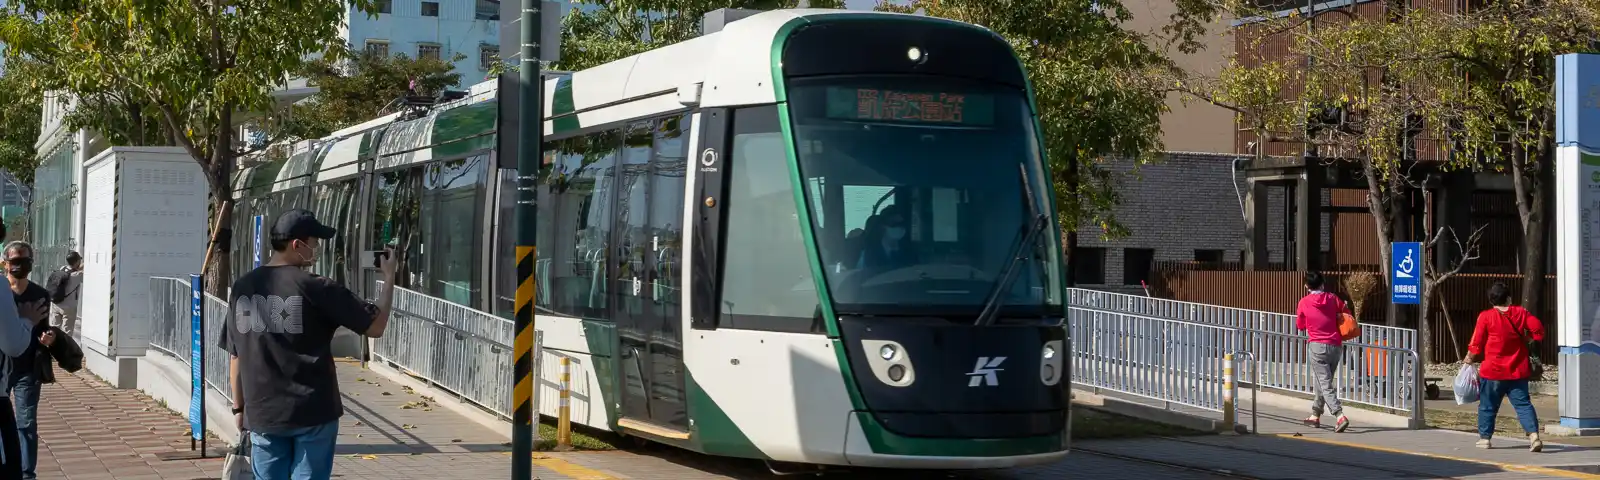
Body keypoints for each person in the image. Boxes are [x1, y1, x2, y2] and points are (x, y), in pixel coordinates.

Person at [221, 209, 400, 480]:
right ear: (297, 245)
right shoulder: (318, 287)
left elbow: (236, 356)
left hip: (263, 412)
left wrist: (239, 408)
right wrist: (389, 278)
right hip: (313, 413)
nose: (316, 250)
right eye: (314, 243)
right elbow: (375, 326)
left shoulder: (242, 288)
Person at [1465, 282, 1545, 452]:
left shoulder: (1485, 317)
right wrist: (1529, 338)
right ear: (1508, 298)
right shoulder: (1521, 313)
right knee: (1523, 405)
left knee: (1487, 406)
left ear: (1491, 300)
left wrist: (1468, 359)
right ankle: (1534, 436)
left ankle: (1485, 439)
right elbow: (1538, 330)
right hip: (1517, 371)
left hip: (1493, 371)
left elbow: (1476, 343)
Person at [0, 242, 52, 480]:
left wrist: (49, 338)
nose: (19, 266)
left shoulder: (40, 294)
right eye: (15, 261)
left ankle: (26, 474)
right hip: (2, 369)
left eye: (25, 261)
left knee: (27, 423)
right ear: (5, 263)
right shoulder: (2, 292)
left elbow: (44, 328)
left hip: (28, 367)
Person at [1295, 271, 1350, 432]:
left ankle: (1339, 415)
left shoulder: (1304, 302)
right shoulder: (1333, 298)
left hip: (1317, 346)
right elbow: (1346, 313)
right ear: (1322, 284)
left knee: (1324, 383)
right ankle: (1315, 414)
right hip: (1335, 345)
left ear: (1306, 286)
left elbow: (1300, 325)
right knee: (1323, 381)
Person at [857, 205, 919, 270]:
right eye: (894, 224)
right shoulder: (870, 252)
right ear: (882, 226)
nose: (899, 228)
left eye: (901, 224)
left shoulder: (908, 250)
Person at [46, 252, 81, 336]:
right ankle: (64, 348)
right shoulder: (77, 275)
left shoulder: (62, 269)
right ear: (77, 262)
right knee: (67, 332)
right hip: (69, 307)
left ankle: (53, 347)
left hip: (55, 304)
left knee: (54, 329)